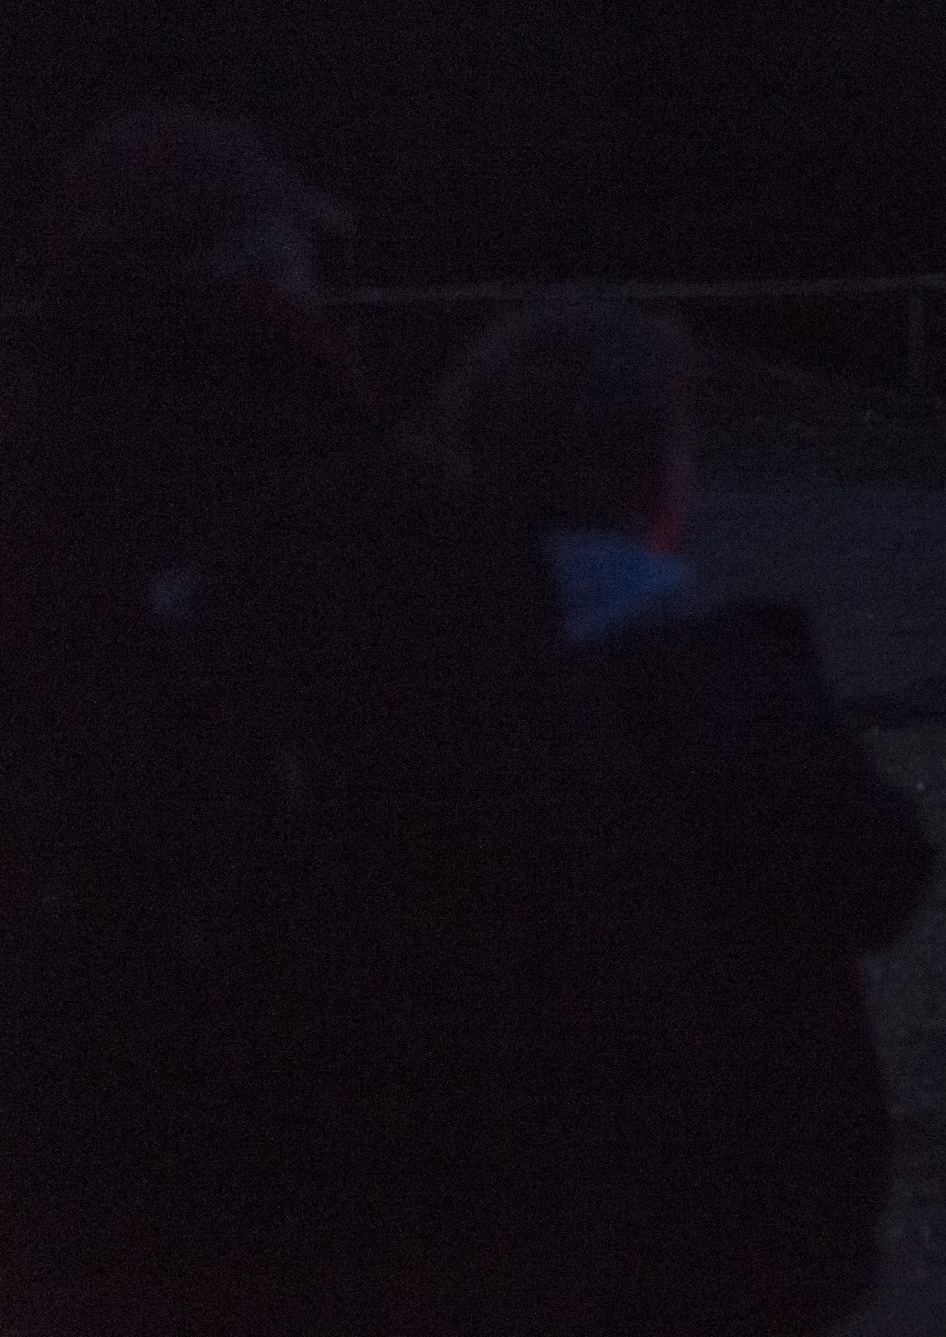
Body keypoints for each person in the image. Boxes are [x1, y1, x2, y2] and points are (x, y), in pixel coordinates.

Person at [0, 107, 562, 1333]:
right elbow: (521, 849)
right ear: (266, 282)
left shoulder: (40, 495)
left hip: (61, 1161)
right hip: (342, 1156)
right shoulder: (395, 520)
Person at [439, 299, 935, 1335]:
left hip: (494, 1199)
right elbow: (880, 873)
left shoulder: (423, 683)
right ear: (657, 475)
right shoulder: (723, 683)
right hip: (726, 1200)